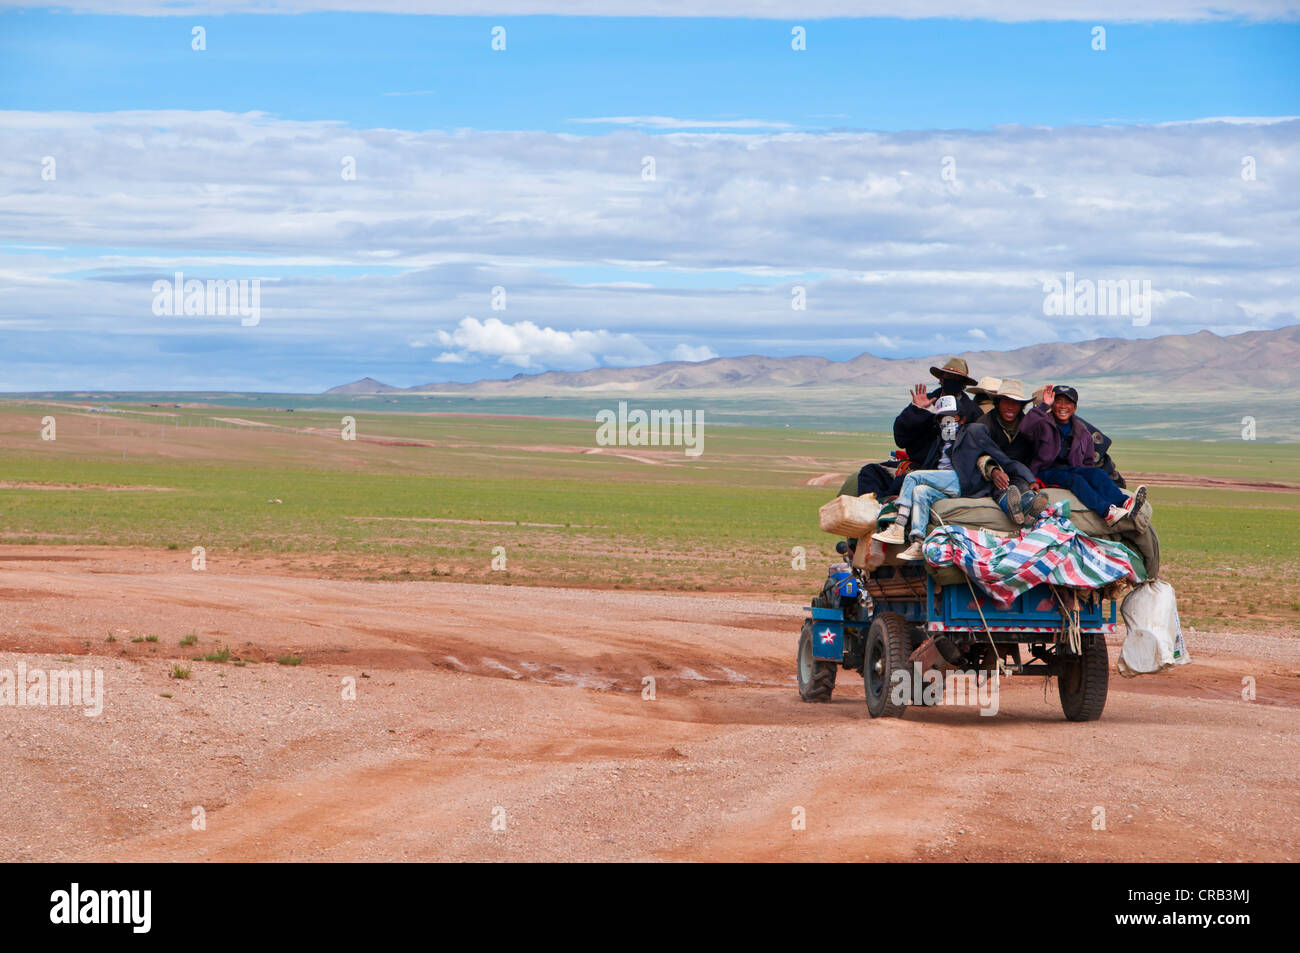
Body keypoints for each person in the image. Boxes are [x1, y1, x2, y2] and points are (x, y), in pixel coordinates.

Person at [874, 397, 1048, 559]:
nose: (947, 421)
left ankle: (898, 526)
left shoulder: (973, 432)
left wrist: (1029, 478)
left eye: (952, 416)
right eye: (942, 417)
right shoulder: (938, 440)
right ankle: (918, 542)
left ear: (962, 419)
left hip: (964, 481)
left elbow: (1003, 458)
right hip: (945, 483)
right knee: (920, 492)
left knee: (913, 478)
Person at [1021, 384, 1148, 526]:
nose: (1063, 406)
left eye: (1068, 402)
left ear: (1074, 407)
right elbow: (1024, 428)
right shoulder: (1042, 424)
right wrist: (1044, 405)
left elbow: (1087, 463)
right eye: (1058, 401)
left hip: (1070, 470)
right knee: (1076, 480)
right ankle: (1107, 512)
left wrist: (1089, 475)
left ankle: (1124, 502)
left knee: (1096, 474)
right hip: (1044, 473)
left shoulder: (1082, 432)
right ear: (1053, 404)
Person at [892, 356, 982, 465]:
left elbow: (977, 446)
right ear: (941, 379)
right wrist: (917, 411)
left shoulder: (973, 412)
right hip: (918, 464)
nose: (952, 381)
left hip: (955, 468)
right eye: (948, 376)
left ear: (964, 384)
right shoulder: (926, 401)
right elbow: (901, 438)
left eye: (957, 379)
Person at [975, 377, 1035, 466]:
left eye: (1016, 402)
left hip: (1021, 473)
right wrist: (993, 470)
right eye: (1006, 401)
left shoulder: (1028, 425)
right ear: (998, 403)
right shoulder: (984, 423)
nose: (1010, 407)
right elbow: (976, 454)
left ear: (1021, 405)